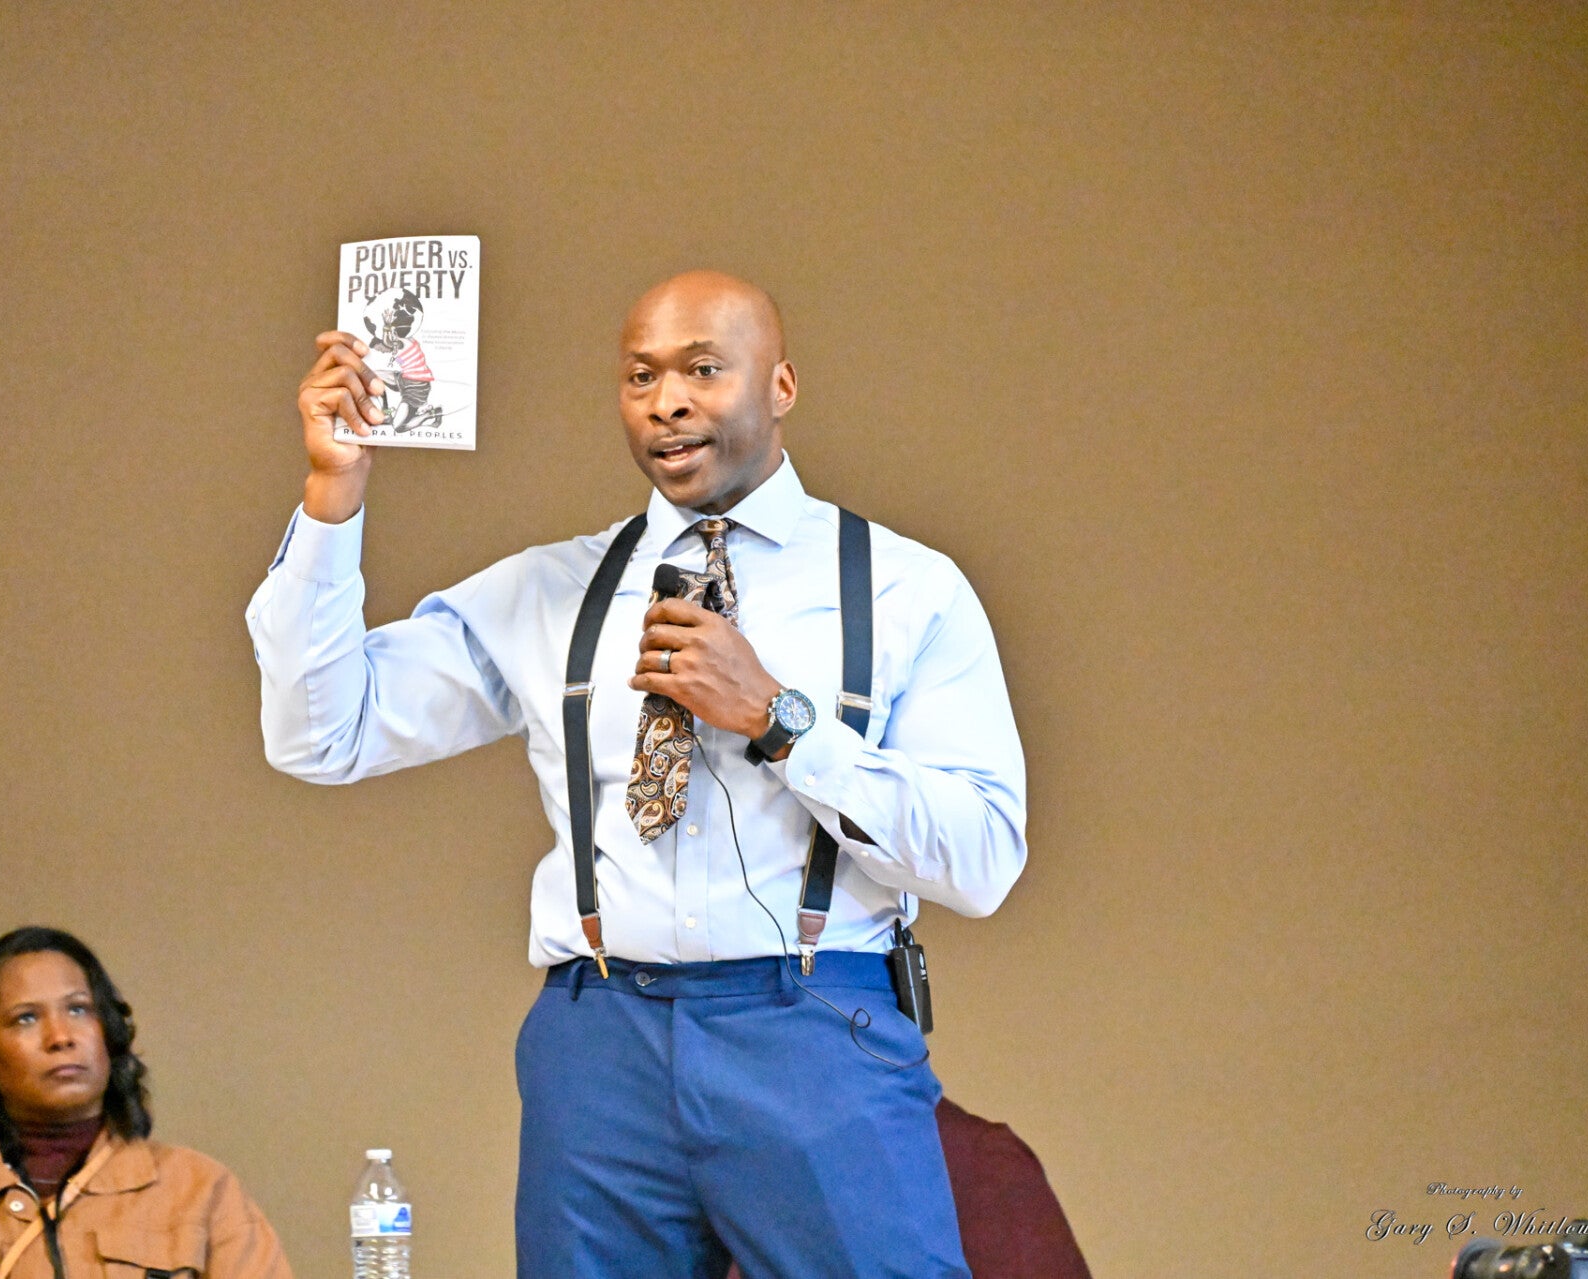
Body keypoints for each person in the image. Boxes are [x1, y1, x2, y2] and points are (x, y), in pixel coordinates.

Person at [247, 269, 1027, 1278]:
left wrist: (779, 720)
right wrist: (332, 497)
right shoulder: (553, 589)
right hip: (600, 1038)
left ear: (780, 385)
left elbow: (981, 859)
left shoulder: (904, 588)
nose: (667, 402)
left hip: (812, 1021)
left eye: (703, 369)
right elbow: (322, 732)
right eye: (640, 376)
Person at [0, 927, 293, 1279]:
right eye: (26, 1018)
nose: (60, 1037)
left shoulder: (200, 1190)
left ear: (109, 1031)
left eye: (79, 1010)